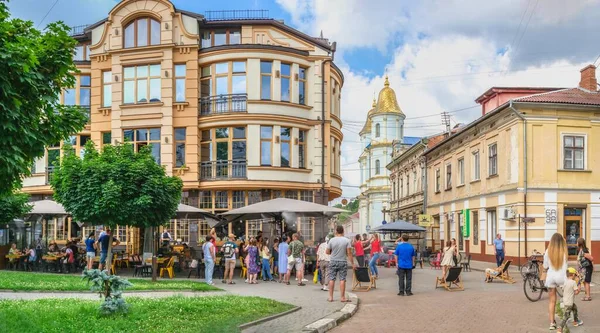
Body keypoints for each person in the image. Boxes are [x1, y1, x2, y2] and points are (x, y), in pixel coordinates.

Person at [544, 233, 568, 331]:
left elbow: (545, 266)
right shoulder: (564, 251)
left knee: (552, 301)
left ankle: (552, 323)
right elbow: (566, 264)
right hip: (562, 277)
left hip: (551, 278)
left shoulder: (548, 251)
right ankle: (565, 322)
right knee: (567, 300)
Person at [326, 225, 355, 302]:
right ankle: (342, 297)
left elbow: (327, 252)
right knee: (342, 279)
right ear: (343, 231)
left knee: (331, 279)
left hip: (333, 261)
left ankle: (331, 297)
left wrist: (333, 252)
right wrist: (352, 263)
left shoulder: (331, 240)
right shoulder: (347, 240)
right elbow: (349, 253)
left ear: (336, 231)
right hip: (342, 262)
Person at [558, 267, 584, 332]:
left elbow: (563, 289)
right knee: (566, 316)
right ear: (572, 275)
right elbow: (576, 292)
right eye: (575, 275)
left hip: (566, 301)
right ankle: (560, 328)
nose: (575, 276)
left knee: (575, 308)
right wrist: (579, 288)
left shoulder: (565, 282)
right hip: (569, 303)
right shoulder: (573, 282)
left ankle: (575, 321)